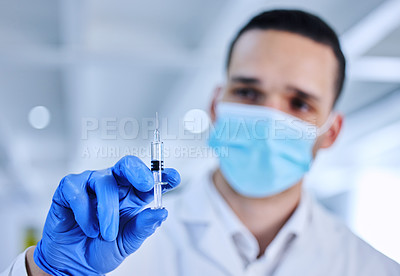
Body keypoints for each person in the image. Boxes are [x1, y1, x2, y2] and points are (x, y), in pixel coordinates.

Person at [2, 9, 400, 276]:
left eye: (299, 102)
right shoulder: (118, 249)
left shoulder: (371, 268)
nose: (268, 117)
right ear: (215, 104)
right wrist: (47, 273)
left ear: (330, 131)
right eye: (248, 92)